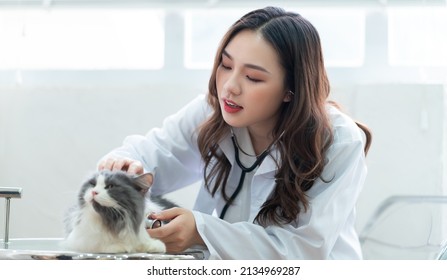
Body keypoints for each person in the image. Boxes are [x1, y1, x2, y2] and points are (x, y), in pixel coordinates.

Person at [98, 6, 372, 259]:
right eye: (226, 65)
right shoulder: (212, 112)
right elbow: (151, 153)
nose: (229, 86)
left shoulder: (338, 140)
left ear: (292, 89)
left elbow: (302, 249)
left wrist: (201, 231)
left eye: (252, 77)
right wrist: (125, 166)